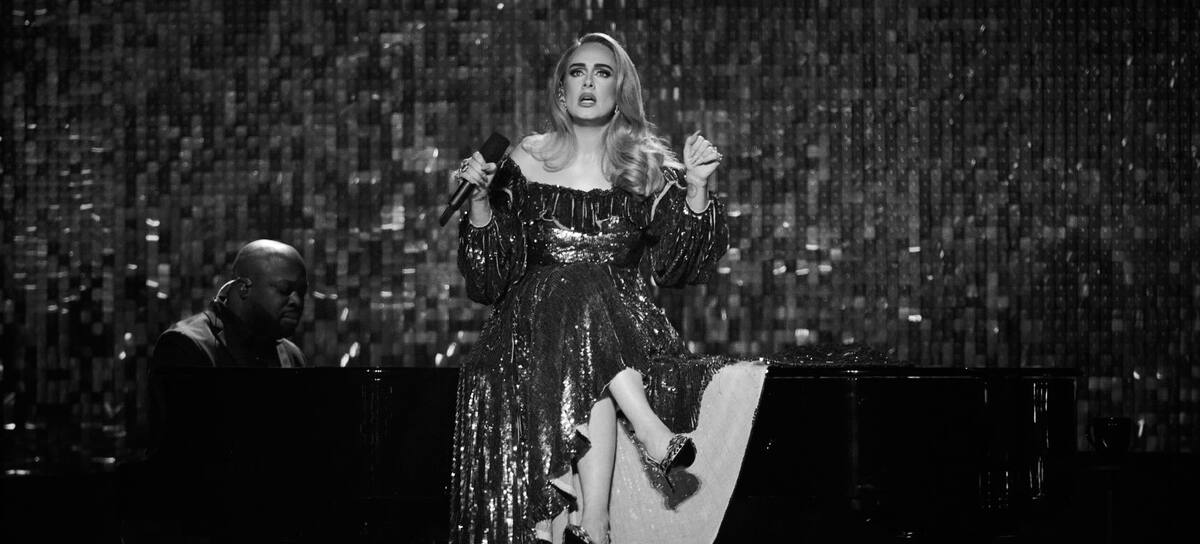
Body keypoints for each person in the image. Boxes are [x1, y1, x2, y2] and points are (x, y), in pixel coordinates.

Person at [450, 33, 752, 544]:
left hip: (624, 330)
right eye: (577, 72)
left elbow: (677, 266)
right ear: (562, 90)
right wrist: (479, 202)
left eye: (603, 72)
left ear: (619, 90)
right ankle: (608, 503)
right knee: (575, 283)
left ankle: (591, 519)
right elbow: (488, 279)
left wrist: (698, 189)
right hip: (531, 329)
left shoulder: (646, 166)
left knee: (586, 299)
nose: (588, 82)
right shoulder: (524, 159)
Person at [150, 239, 308, 369]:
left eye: (301, 292)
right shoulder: (186, 345)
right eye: (284, 289)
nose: (297, 301)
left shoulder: (292, 355)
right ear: (244, 288)